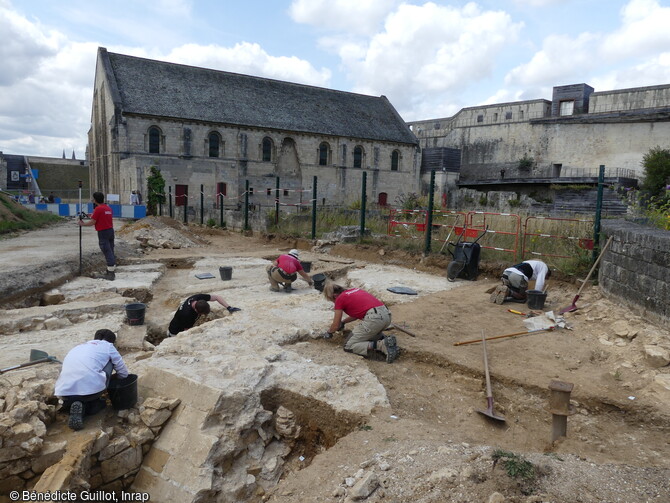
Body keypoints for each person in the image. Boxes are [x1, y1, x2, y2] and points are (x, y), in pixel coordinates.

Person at [54, 329, 130, 431]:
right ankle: (90, 407)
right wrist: (114, 380)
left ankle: (73, 405)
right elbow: (123, 373)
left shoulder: (78, 347)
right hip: (90, 392)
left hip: (64, 392)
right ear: (112, 341)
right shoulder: (108, 346)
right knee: (110, 363)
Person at [323, 282, 399, 363]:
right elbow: (357, 314)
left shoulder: (340, 299)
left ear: (334, 296)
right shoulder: (355, 290)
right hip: (386, 315)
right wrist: (344, 322)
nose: (334, 302)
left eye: (332, 300)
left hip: (375, 319)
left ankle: (381, 345)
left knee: (349, 345)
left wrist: (329, 332)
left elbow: (335, 325)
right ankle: (385, 340)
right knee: (366, 336)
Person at [79, 192, 116, 280]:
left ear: (95, 200)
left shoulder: (98, 209)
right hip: (110, 231)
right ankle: (110, 270)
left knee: (107, 251)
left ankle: (110, 274)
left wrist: (82, 224)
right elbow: (100, 217)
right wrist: (91, 215)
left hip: (103, 232)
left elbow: (93, 222)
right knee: (110, 250)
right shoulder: (108, 208)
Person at [167, 293, 241, 337]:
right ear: (196, 311)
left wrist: (229, 307)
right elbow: (187, 332)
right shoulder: (188, 315)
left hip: (180, 324)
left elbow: (216, 297)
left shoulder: (198, 298)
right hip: (175, 332)